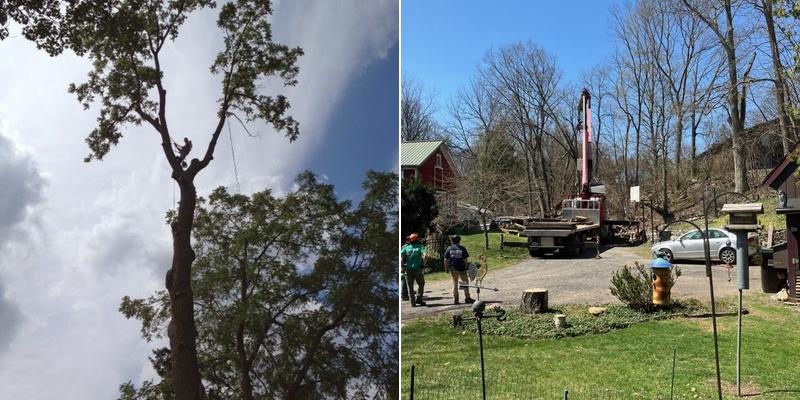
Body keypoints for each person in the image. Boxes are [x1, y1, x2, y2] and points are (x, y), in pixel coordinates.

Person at [444, 234, 473, 304]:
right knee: (464, 283)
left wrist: (446, 268)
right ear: (459, 240)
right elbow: (465, 259)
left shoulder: (449, 248)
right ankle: (467, 298)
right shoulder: (462, 248)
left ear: (452, 241)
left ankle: (456, 299)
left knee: (455, 283)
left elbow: (445, 260)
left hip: (454, 269)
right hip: (462, 268)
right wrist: (466, 267)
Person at [400, 233, 428, 306]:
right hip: (417, 269)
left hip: (408, 269)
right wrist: (423, 265)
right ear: (417, 239)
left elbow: (401, 259)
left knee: (410, 286)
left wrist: (402, 267)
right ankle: (419, 299)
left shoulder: (405, 248)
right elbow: (425, 256)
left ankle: (412, 303)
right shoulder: (421, 247)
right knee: (421, 284)